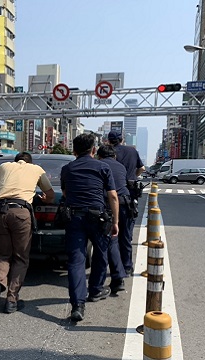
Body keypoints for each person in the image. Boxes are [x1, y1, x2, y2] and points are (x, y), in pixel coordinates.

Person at [0, 152, 55, 314]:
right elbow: (50, 195)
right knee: (20, 257)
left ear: (16, 160)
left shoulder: (4, 166)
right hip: (20, 212)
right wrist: (44, 199)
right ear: (29, 162)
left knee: (2, 254)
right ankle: (11, 300)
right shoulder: (36, 169)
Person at [61, 134, 119, 322]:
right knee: (101, 253)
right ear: (93, 150)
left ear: (74, 151)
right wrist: (116, 222)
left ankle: (78, 305)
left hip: (74, 218)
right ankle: (95, 290)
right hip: (98, 217)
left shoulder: (67, 169)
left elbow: (65, 192)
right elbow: (113, 196)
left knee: (76, 260)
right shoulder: (103, 167)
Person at [107, 130, 145, 275]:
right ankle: (127, 266)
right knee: (126, 235)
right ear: (122, 139)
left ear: (108, 141)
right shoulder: (132, 151)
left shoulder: (106, 153)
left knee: (110, 235)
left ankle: (114, 268)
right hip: (128, 196)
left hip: (109, 197)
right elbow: (141, 168)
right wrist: (132, 177)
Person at [96, 144, 130, 294]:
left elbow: (110, 193)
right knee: (124, 238)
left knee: (109, 242)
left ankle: (113, 279)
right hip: (127, 205)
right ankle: (126, 268)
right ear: (114, 156)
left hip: (110, 205)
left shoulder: (100, 166)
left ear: (99, 156)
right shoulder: (121, 166)